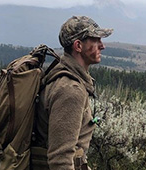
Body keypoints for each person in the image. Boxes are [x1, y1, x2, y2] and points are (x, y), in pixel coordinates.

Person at [31, 16, 113, 170]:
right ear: (78, 46)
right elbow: (60, 160)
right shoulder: (70, 91)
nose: (102, 46)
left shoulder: (64, 77)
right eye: (95, 40)